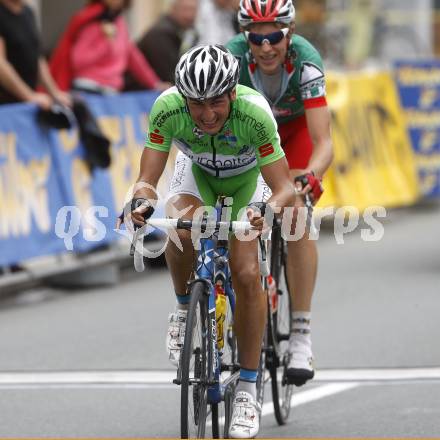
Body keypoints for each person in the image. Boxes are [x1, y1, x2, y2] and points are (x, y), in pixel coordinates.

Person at [119, 45, 296, 438]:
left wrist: (264, 214)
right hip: (195, 173)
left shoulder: (254, 114)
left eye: (216, 101)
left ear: (233, 93)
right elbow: (148, 179)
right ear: (183, 98)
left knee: (247, 271)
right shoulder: (168, 109)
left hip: (249, 181)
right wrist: (139, 202)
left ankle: (248, 388)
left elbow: (284, 189)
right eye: (197, 104)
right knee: (180, 228)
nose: (208, 113)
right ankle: (184, 309)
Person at [226, 0, 334, 387]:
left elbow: (324, 140)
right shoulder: (231, 60)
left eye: (275, 37)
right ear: (246, 37)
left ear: (289, 34)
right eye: (257, 38)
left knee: (296, 216)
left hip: (294, 134)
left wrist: (311, 175)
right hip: (252, 139)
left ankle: (301, 335)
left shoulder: (306, 61)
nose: (266, 47)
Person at [49, 0, 169, 94]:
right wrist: (106, 43)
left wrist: (155, 84)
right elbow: (78, 60)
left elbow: (134, 58)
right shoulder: (94, 21)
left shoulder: (119, 22)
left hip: (110, 92)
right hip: (89, 90)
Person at [0, 0, 71, 108]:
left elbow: (36, 57)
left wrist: (54, 92)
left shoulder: (28, 13)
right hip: (5, 105)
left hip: (25, 103)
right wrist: (29, 96)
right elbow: (1, 64)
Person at [134, 0, 199, 84]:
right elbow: (170, 74)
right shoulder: (161, 33)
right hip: (139, 91)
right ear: (173, 9)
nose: (189, 15)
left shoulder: (190, 32)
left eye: (193, 10)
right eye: (185, 9)